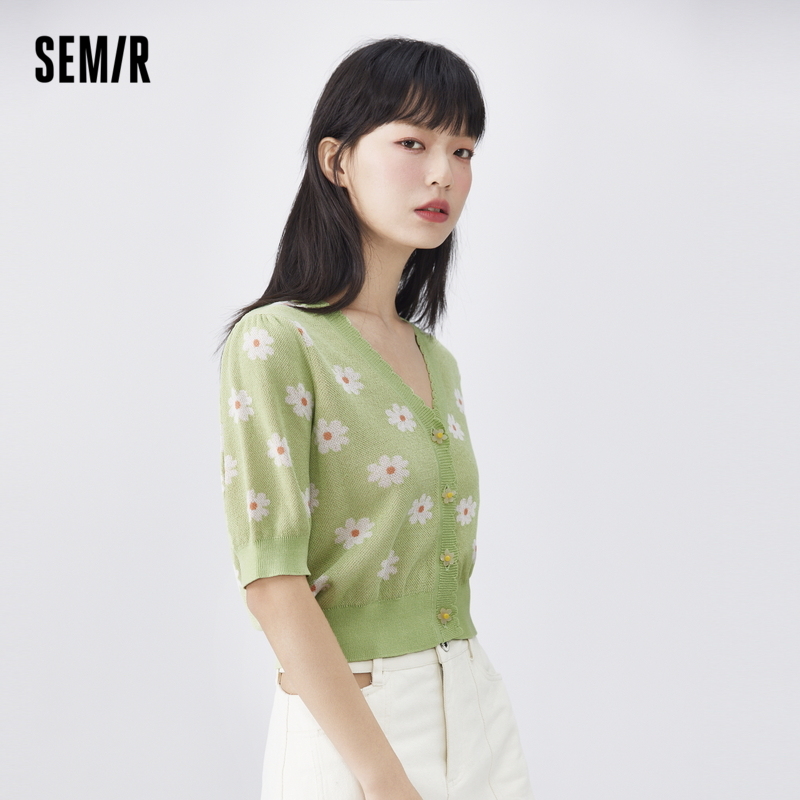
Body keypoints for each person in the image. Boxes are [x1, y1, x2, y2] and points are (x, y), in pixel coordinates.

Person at [218, 37, 536, 800]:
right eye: (413, 143)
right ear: (336, 160)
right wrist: (384, 779)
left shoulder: (435, 359)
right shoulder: (275, 342)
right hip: (356, 727)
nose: (443, 173)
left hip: (476, 706)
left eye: (463, 150)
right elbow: (273, 582)